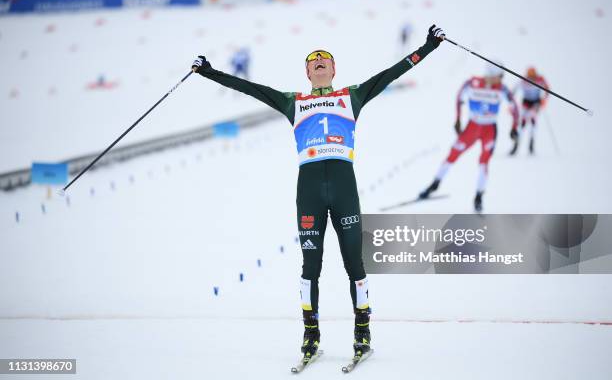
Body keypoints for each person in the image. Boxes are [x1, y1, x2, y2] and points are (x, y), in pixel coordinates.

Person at [191, 25, 446, 361]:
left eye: (325, 59)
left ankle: (362, 329)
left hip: (344, 189)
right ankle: (310, 333)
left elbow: (393, 72)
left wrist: (429, 46)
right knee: (310, 265)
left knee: (354, 263)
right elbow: (250, 88)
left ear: (334, 70)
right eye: (313, 60)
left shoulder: (351, 96)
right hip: (309, 191)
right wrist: (209, 73)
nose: (320, 61)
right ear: (307, 72)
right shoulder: (292, 102)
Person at [419, 63, 518, 212]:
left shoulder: (502, 89)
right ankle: (434, 184)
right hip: (472, 127)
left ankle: (478, 197)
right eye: (500, 75)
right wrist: (458, 119)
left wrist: (514, 127)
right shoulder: (472, 83)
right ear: (491, 74)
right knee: (453, 153)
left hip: (489, 129)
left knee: (484, 162)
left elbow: (514, 107)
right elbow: (459, 97)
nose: (501, 79)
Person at [510, 67, 549, 155]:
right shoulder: (523, 80)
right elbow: (514, 90)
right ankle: (516, 145)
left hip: (535, 104)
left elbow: (547, 90)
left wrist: (543, 101)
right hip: (526, 103)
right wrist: (511, 99)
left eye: (533, 76)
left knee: (533, 122)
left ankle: (531, 144)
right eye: (530, 76)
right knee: (522, 123)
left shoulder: (540, 79)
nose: (531, 78)